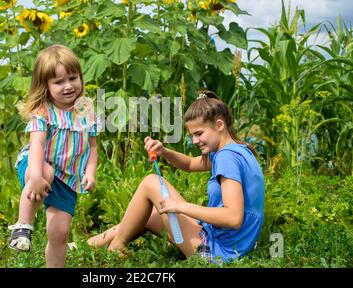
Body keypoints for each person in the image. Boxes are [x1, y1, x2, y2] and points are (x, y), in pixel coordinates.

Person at [87, 91, 264, 264]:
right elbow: (189, 164)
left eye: (199, 133)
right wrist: (163, 151)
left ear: (219, 125)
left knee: (151, 182)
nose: (194, 141)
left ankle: (117, 247)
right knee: (148, 214)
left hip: (219, 254)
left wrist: (181, 207)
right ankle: (88, 245)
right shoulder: (236, 151)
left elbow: (233, 218)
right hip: (228, 246)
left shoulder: (227, 158)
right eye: (192, 135)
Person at [9, 44, 98, 268]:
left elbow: (93, 146)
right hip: (35, 165)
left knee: (60, 233)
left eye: (73, 78)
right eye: (58, 82)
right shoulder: (43, 111)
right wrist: (36, 176)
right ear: (45, 86)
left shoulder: (86, 109)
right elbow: (37, 144)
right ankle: (23, 226)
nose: (68, 86)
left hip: (67, 179)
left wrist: (90, 172)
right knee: (46, 171)